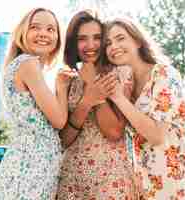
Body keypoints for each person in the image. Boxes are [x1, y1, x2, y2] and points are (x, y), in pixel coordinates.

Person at [105, 18, 185, 200]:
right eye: (108, 43)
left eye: (120, 38)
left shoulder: (164, 74)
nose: (113, 46)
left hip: (180, 177)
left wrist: (118, 98)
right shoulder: (125, 84)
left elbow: (157, 135)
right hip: (150, 182)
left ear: (138, 41)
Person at [57, 10, 137, 199]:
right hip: (72, 182)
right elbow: (63, 140)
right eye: (82, 38)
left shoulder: (121, 74)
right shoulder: (67, 80)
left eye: (97, 38)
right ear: (73, 44)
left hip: (111, 181)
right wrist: (85, 102)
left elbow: (114, 132)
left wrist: (93, 84)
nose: (90, 45)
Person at [0, 8, 68, 200]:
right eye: (35, 27)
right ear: (23, 32)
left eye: (51, 29)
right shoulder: (28, 64)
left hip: (24, 166)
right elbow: (59, 121)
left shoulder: (18, 66)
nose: (43, 33)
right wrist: (62, 86)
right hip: (31, 170)